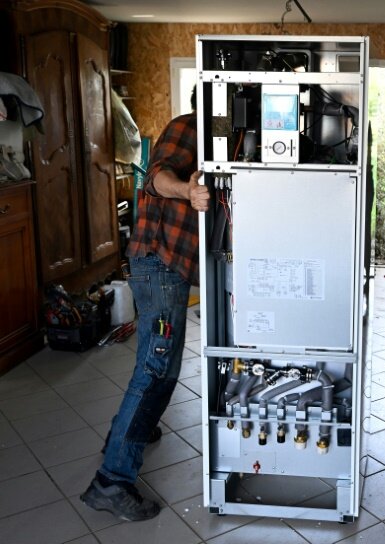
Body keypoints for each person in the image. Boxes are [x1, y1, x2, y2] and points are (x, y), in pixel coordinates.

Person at [81, 89, 209, 521]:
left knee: (155, 367)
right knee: (157, 369)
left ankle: (129, 429)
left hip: (164, 264)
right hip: (159, 263)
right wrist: (186, 194)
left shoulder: (214, 137)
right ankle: (112, 481)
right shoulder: (188, 126)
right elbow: (156, 176)